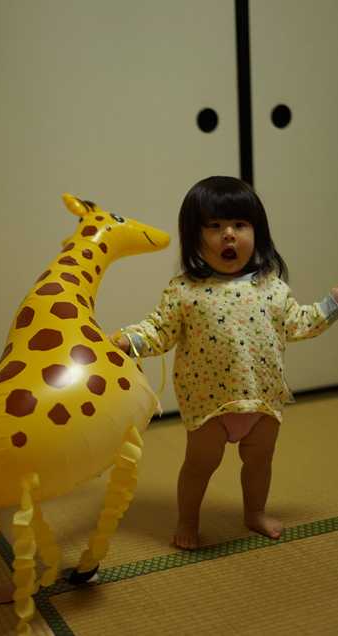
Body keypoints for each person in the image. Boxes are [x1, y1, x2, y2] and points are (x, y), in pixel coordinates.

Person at [109, 176, 338, 550]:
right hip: (209, 404)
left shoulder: (272, 287)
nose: (228, 235)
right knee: (199, 466)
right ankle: (187, 519)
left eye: (239, 224)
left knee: (260, 461)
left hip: (263, 401)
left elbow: (298, 324)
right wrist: (129, 341)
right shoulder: (185, 290)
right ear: (194, 236)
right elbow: (158, 330)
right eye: (215, 225)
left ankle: (255, 512)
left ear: (256, 232)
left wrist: (332, 303)